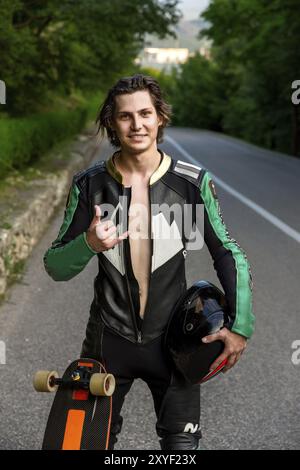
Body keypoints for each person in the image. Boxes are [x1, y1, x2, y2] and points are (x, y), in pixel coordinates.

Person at [43, 74, 255, 450]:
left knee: (180, 451)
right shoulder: (89, 185)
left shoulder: (191, 182)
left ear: (160, 118)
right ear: (111, 122)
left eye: (145, 113)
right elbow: (56, 267)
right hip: (107, 340)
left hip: (175, 343)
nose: (136, 124)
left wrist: (240, 326)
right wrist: (89, 243)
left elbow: (226, 251)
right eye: (125, 116)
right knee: (86, 446)